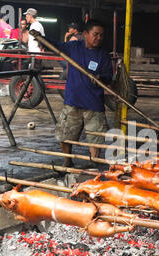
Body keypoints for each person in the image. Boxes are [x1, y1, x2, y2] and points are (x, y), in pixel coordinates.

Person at [31, 19, 113, 167]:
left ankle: (94, 164)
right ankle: (67, 162)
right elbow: (56, 45)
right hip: (73, 100)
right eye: (95, 34)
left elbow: (108, 77)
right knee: (65, 135)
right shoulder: (74, 47)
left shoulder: (103, 55)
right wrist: (41, 38)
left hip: (93, 103)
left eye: (101, 35)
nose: (99, 38)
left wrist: (101, 77)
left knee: (96, 137)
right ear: (86, 34)